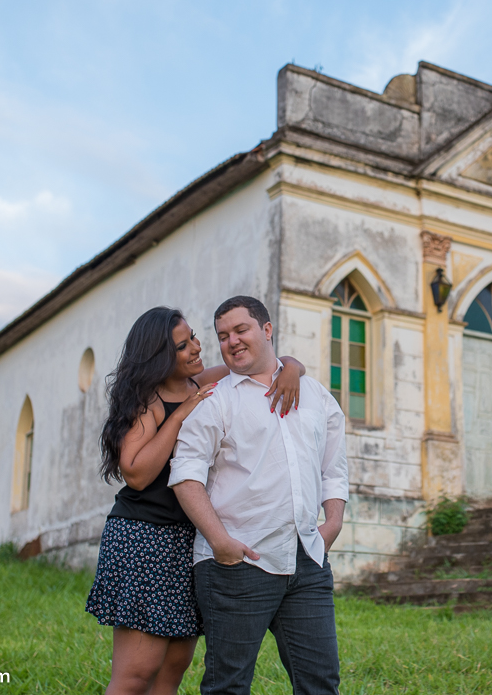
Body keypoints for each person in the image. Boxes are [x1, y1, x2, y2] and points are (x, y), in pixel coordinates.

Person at [86, 305, 307, 695]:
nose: (196, 348)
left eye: (192, 338)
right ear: (158, 357)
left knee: (173, 669)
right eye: (181, 346)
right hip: (145, 538)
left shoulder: (205, 381)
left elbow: (266, 362)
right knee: (137, 673)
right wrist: (180, 415)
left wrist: (291, 367)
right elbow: (135, 473)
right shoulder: (148, 400)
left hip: (189, 541)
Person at [169, 295, 348, 695]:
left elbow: (333, 467)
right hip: (236, 563)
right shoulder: (216, 401)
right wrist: (220, 542)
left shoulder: (316, 395)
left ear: (267, 330)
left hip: (306, 562)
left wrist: (332, 522)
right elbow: (185, 475)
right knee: (228, 686)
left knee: (321, 681)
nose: (231, 341)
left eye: (241, 329)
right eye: (223, 336)